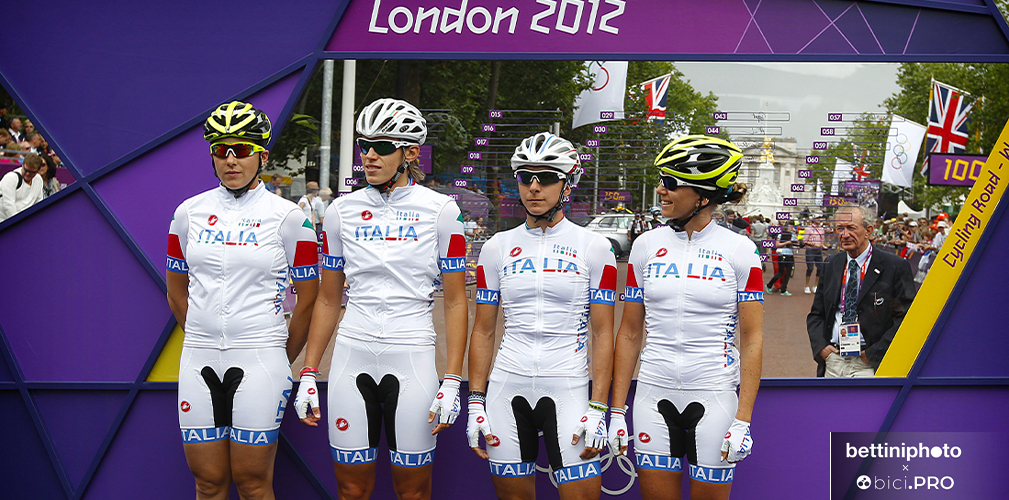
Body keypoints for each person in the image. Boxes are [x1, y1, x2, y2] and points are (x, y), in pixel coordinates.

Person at [293, 98, 468, 500]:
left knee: (413, 492)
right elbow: (327, 300)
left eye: (382, 146)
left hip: (412, 357)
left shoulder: (442, 210)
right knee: (351, 490)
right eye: (363, 145)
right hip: (352, 354)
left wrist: (453, 380)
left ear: (410, 153)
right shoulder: (341, 210)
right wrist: (308, 370)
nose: (369, 156)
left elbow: (456, 302)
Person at [166, 100, 320, 499]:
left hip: (261, 359)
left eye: (243, 149)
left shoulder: (290, 217)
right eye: (221, 149)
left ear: (263, 155)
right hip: (199, 356)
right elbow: (176, 289)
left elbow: (309, 301)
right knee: (208, 483)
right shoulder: (187, 213)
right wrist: (201, 333)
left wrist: (277, 356)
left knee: (252, 484)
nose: (231, 159)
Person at [610, 135, 764, 500]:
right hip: (652, 395)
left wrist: (743, 418)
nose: (661, 190)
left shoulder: (740, 250)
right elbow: (630, 333)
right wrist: (617, 410)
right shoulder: (646, 246)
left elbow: (753, 338)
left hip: (714, 397)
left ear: (703, 197)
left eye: (671, 183)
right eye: (661, 180)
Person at [467, 132, 616, 500]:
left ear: (568, 183)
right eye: (524, 177)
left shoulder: (595, 247)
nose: (534, 187)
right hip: (506, 386)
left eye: (547, 176)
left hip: (568, 385)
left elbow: (603, 334)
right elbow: (484, 331)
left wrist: (600, 405)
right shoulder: (495, 247)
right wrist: (475, 401)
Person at [806, 204, 916, 378]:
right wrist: (822, 349)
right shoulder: (832, 263)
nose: (844, 234)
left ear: (868, 230)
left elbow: (907, 318)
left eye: (851, 228)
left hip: (869, 364)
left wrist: (873, 354)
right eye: (839, 228)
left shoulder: (894, 266)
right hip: (834, 360)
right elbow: (817, 314)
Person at [0, 153, 45, 222]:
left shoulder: (38, 179)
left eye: (32, 172)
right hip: (5, 222)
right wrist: (18, 224)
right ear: (23, 165)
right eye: (26, 170)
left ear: (38, 171)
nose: (28, 174)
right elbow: (8, 205)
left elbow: (38, 202)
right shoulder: (11, 178)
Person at [766, 221, 795, 296]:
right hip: (782, 254)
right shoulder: (781, 234)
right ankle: (769, 285)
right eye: (790, 226)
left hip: (790, 254)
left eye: (792, 226)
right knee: (780, 272)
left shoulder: (793, 234)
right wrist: (787, 243)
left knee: (788, 273)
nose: (791, 228)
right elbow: (777, 244)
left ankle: (783, 289)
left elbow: (795, 243)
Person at [803, 216, 827, 294]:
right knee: (810, 268)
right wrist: (813, 244)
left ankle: (815, 286)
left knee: (820, 268)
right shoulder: (808, 229)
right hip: (810, 250)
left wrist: (823, 246)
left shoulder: (822, 229)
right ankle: (807, 286)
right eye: (818, 218)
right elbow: (805, 241)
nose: (819, 220)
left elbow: (822, 239)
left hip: (818, 250)